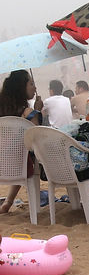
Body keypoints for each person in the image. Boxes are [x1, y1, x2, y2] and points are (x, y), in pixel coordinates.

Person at [0, 70, 43, 213]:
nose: (35, 87)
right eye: (31, 83)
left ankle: (7, 203)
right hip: (20, 168)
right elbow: (36, 140)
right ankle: (8, 202)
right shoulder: (28, 113)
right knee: (24, 158)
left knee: (19, 157)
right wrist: (37, 111)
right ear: (21, 88)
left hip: (1, 165)